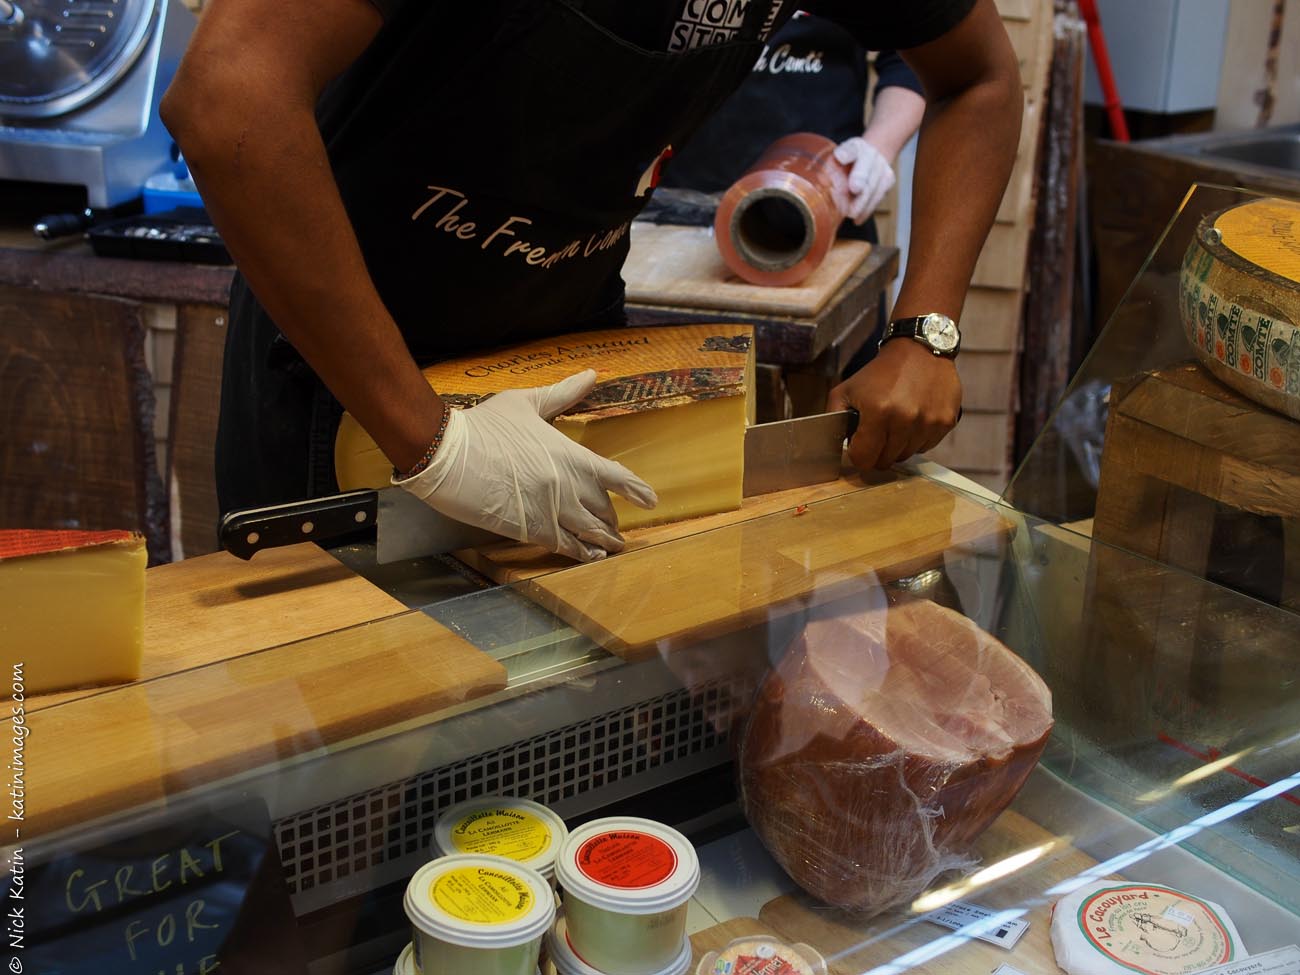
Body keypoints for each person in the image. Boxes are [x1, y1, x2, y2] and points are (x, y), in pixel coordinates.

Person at [160, 0, 1022, 563]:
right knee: (337, 766)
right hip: (345, 383)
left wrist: (926, 328)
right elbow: (230, 97)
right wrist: (433, 441)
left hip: (569, 355)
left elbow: (978, 76)